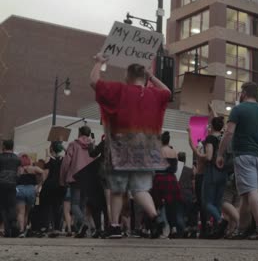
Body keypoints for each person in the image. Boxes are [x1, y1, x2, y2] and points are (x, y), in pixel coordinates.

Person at [90, 53, 171, 239]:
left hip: (122, 147)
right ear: (144, 77)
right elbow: (167, 92)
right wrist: (152, 77)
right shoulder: (155, 94)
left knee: (117, 189)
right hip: (146, 148)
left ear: (128, 76)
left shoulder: (121, 90)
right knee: (140, 189)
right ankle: (155, 217)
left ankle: (115, 226)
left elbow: (94, 81)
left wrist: (99, 63)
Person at [217, 82, 258, 240]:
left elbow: (229, 133)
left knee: (251, 191)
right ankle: (241, 229)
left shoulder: (238, 109)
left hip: (244, 155)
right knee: (244, 195)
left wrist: (220, 154)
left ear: (243, 93)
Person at [189, 116, 228, 239]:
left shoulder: (210, 139)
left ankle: (220, 220)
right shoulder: (224, 137)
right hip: (223, 172)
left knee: (206, 203)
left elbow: (209, 157)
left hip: (212, 172)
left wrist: (199, 154)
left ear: (211, 127)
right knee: (217, 202)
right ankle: (217, 229)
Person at [60, 125, 94, 238]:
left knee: (74, 204)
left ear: (80, 133)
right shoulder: (92, 146)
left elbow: (65, 163)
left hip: (76, 177)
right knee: (82, 204)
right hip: (88, 178)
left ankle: (84, 223)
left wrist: (63, 178)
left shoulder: (73, 145)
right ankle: (81, 230)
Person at [152, 132, 185, 238]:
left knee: (156, 203)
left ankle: (154, 227)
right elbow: (175, 168)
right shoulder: (174, 152)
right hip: (171, 179)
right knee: (172, 205)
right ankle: (173, 228)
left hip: (159, 178)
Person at [40, 142, 66, 238]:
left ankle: (46, 227)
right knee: (58, 207)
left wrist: (41, 185)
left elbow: (45, 174)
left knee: (46, 207)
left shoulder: (48, 160)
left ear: (52, 149)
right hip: (61, 186)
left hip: (49, 186)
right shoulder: (64, 159)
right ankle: (57, 228)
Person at [16, 154, 45, 238]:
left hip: (19, 190)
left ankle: (21, 231)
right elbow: (43, 172)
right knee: (27, 213)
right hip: (31, 190)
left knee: (20, 212)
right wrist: (39, 185)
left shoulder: (18, 169)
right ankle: (25, 229)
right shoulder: (33, 168)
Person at [0, 140, 21, 237]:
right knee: (11, 205)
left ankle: (7, 230)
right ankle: (13, 223)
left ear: (3, 146)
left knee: (3, 207)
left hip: (1, 184)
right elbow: (19, 173)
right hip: (12, 184)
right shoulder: (17, 159)